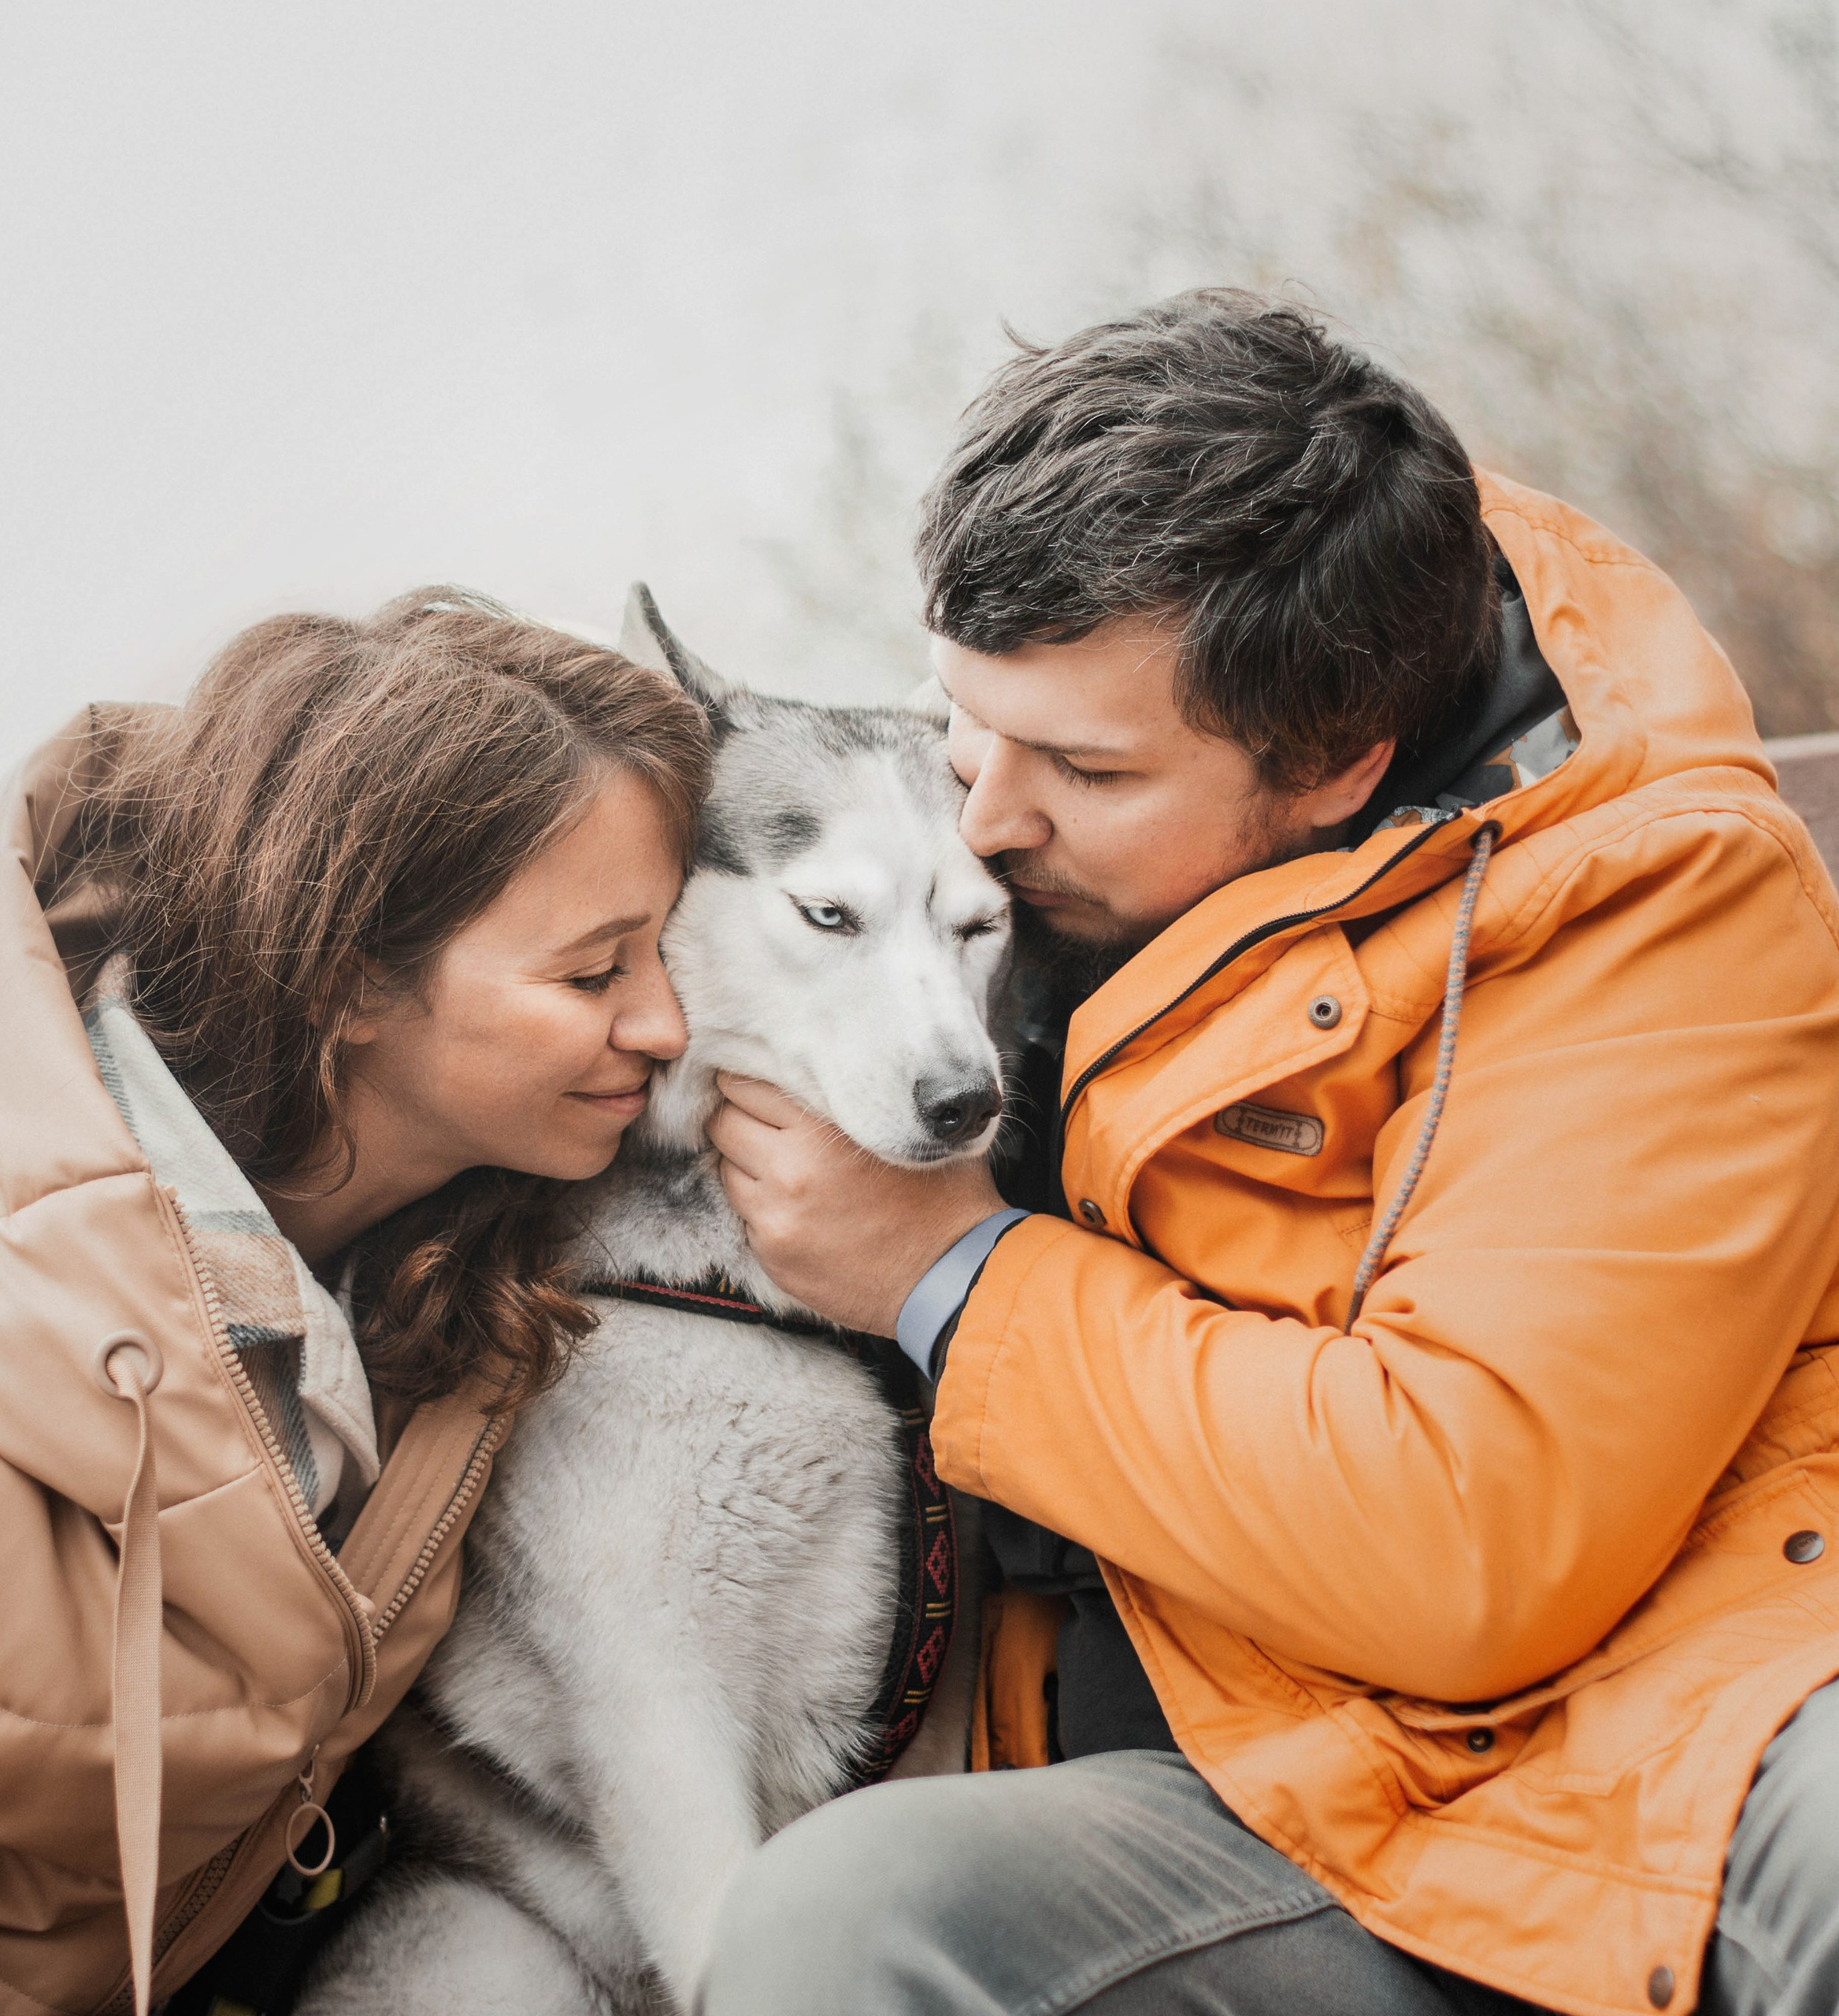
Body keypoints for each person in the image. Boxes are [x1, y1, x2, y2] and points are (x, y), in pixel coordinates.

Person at [703, 292, 1839, 2015]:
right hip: (1222, 1794)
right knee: (843, 1916)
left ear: (1334, 767)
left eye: (1082, 767)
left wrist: (946, 1268)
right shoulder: (1023, 831)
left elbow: (1468, 1534)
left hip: (1641, 1742)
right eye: (962, 720)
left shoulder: (1654, 904)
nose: (988, 819)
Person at [0, 591, 710, 2014]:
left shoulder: (474, 1240)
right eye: (597, 970)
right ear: (348, 976)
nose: (666, 1025)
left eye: (675, 954)